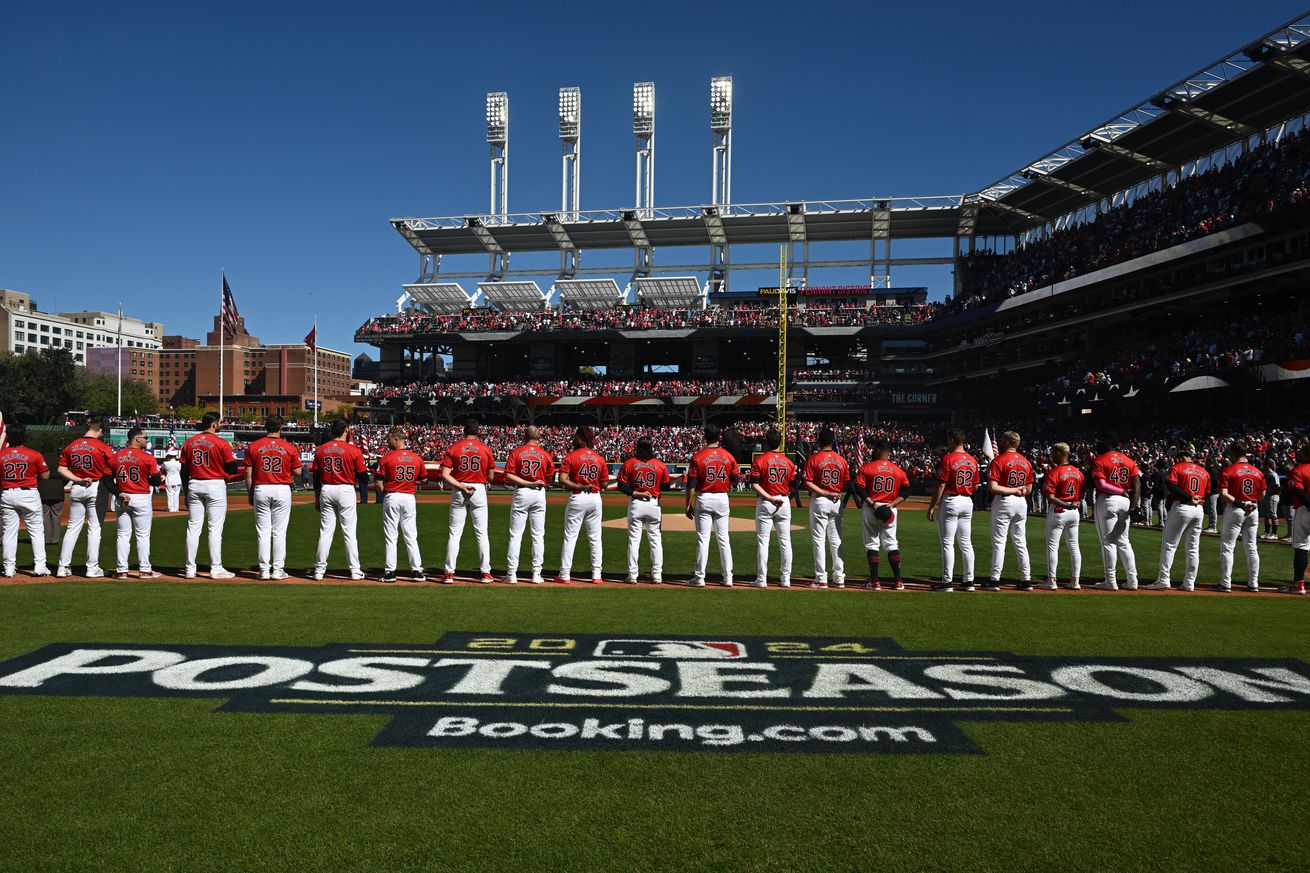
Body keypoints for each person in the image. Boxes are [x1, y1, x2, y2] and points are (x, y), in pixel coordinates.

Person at [181, 412, 241, 579]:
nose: (221, 424)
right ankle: (215, 568)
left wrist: (186, 491)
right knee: (214, 529)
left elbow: (184, 471)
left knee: (193, 528)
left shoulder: (189, 442)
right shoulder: (222, 443)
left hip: (194, 484)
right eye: (220, 422)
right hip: (215, 484)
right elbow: (232, 469)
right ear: (214, 424)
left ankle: (189, 569)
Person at [55, 417, 116, 578]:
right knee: (94, 527)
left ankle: (62, 567)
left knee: (72, 527)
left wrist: (78, 480)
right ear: (100, 430)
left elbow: (61, 469)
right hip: (96, 487)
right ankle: (92, 567)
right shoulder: (102, 447)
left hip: (77, 487)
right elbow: (114, 467)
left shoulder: (71, 445)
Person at [244, 416, 302, 581]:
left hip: (261, 488)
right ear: (281, 427)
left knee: (263, 532)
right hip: (282, 489)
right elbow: (297, 472)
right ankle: (277, 570)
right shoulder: (289, 447)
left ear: (265, 427)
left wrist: (250, 492)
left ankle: (263, 570)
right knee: (279, 532)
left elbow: (248, 472)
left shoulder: (253, 446)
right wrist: (285, 472)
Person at [311, 419, 369, 581]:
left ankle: (319, 570)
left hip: (326, 489)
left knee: (326, 532)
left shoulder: (321, 449)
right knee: (349, 532)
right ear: (345, 430)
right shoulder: (353, 450)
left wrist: (316, 497)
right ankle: (355, 570)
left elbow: (315, 477)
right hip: (345, 489)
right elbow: (363, 476)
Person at [440, 419, 496, 584]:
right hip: (478, 489)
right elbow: (491, 476)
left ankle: (449, 573)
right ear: (478, 431)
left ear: (464, 431)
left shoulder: (454, 448)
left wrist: (462, 486)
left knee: (455, 534)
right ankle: (485, 573)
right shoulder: (485, 449)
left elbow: (445, 474)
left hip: (459, 488)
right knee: (482, 533)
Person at [851, 437, 909, 591]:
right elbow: (906, 490)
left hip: (872, 507)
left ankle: (875, 582)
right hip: (890, 509)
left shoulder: (866, 468)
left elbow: (858, 488)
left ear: (877, 451)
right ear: (889, 453)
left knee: (872, 544)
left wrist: (871, 502)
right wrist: (893, 503)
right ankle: (898, 581)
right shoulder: (898, 470)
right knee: (891, 544)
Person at [1147, 446, 1208, 592]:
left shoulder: (1177, 467)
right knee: (1193, 548)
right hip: (1199, 509)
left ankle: (1163, 580)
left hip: (1182, 506)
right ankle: (1189, 583)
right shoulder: (1204, 472)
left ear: (1181, 457)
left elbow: (1170, 484)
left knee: (1169, 545)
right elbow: (1207, 491)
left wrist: (1187, 496)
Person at [924, 428, 978, 592]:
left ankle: (947, 582)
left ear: (953, 440)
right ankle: (969, 581)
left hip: (952, 500)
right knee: (966, 543)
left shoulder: (948, 458)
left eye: (948, 440)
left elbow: (941, 484)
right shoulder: (972, 460)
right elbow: (975, 485)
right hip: (967, 501)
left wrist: (932, 505)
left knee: (947, 543)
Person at [685, 424, 738, 588]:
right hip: (722, 497)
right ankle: (728, 577)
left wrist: (688, 504)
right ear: (719, 437)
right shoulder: (728, 456)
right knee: (724, 539)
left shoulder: (698, 456)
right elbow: (736, 481)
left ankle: (700, 578)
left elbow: (691, 484)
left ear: (705, 437)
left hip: (704, 497)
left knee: (703, 539)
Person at [503, 426, 555, 585]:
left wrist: (528, 482)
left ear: (524, 436)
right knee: (538, 535)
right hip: (539, 493)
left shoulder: (517, 452)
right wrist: (537, 482)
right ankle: (536, 574)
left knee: (516, 535)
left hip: (522, 492)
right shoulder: (545, 454)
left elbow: (509, 475)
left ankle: (511, 575)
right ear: (538, 436)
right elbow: (551, 477)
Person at [1090, 432, 1141, 591]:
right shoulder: (1128, 460)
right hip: (1126, 502)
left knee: (1108, 542)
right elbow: (1137, 484)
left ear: (1105, 444)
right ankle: (1132, 580)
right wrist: (1134, 506)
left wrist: (1119, 491)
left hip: (1109, 499)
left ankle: (1110, 580)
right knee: (1124, 542)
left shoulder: (1099, 460)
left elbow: (1101, 485)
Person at [557, 426, 608, 584]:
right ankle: (597, 575)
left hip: (577, 497)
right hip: (595, 497)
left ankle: (565, 575)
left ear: (581, 438)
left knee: (570, 537)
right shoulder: (599, 458)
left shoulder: (571, 456)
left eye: (576, 437)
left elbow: (562, 479)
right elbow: (605, 483)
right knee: (595, 538)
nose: (574, 439)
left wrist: (579, 485)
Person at [617, 436, 671, 585]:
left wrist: (635, 492)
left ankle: (633, 575)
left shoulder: (630, 463)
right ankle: (657, 575)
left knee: (634, 540)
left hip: (636, 504)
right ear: (651, 448)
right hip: (653, 504)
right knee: (655, 540)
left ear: (637, 447)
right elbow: (665, 486)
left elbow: (621, 485)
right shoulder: (659, 465)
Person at [376, 428, 427, 583]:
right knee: (411, 535)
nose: (388, 441)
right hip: (409, 497)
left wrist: (386, 493)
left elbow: (378, 481)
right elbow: (424, 480)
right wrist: (410, 482)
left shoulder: (387, 458)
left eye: (390, 439)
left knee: (391, 536)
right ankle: (417, 571)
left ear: (397, 440)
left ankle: (390, 572)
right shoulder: (416, 458)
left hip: (393, 495)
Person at [986, 431, 1034, 591]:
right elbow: (1029, 488)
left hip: (1005, 500)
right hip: (1021, 502)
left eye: (1002, 439)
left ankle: (994, 580)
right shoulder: (1026, 462)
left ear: (1007, 442)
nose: (999, 441)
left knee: (999, 542)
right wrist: (1019, 490)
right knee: (1021, 542)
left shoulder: (999, 460)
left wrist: (1012, 490)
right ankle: (1026, 579)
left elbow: (993, 487)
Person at [0, 424, 51, 578]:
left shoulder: (1, 454)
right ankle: (40, 566)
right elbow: (46, 475)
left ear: (8, 436)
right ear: (24, 436)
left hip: (7, 493)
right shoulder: (33, 454)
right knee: (36, 531)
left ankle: (9, 568)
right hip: (28, 493)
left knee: (8, 532)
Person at [747, 428, 796, 589]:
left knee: (763, 542)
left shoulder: (760, 460)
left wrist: (769, 498)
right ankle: (786, 579)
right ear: (779, 442)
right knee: (785, 541)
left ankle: (762, 579)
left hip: (767, 501)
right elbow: (794, 485)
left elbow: (754, 485)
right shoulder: (789, 462)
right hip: (783, 501)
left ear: (767, 442)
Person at [112, 427, 162, 579]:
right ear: (137, 439)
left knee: (122, 535)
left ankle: (121, 570)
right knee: (142, 535)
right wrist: (157, 476)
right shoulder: (147, 457)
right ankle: (145, 569)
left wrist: (118, 493)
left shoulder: (116, 456)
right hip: (141, 497)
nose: (147, 440)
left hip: (122, 497)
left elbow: (107, 479)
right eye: (145, 438)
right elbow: (154, 480)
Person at [802, 427, 850, 589]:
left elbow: (807, 481)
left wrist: (824, 491)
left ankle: (821, 578)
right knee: (836, 540)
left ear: (819, 440)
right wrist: (835, 491)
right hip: (836, 500)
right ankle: (839, 578)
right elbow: (846, 481)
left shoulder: (814, 459)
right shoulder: (842, 460)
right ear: (832, 441)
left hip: (821, 499)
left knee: (819, 540)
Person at [1217, 441, 1265, 592]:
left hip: (1235, 509)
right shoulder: (1258, 471)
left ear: (1233, 454)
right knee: (1251, 547)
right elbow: (1262, 494)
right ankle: (1253, 583)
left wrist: (1242, 503)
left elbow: (1224, 495)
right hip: (1253, 509)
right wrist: (1250, 502)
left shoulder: (1228, 470)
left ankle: (1225, 583)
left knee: (1228, 547)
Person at [1041, 443, 1084, 590]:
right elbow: (1081, 495)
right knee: (1074, 546)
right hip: (1074, 512)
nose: (1051, 454)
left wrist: (1066, 505)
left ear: (1060, 453)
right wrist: (1072, 505)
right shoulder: (1078, 472)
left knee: (1053, 546)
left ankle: (1051, 580)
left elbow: (1050, 497)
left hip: (1060, 510)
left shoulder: (1054, 472)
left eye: (1053, 451)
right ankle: (1075, 580)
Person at [1282, 442, 1310, 595]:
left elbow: (1299, 491)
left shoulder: (1298, 469)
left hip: (1305, 510)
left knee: (1301, 547)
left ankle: (1299, 585)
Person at [37, 449, 65, 548]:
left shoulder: (39, 458)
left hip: (43, 490)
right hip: (58, 490)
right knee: (56, 516)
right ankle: (55, 539)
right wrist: (60, 484)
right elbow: (65, 476)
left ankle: (46, 538)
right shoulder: (59, 459)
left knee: (44, 516)